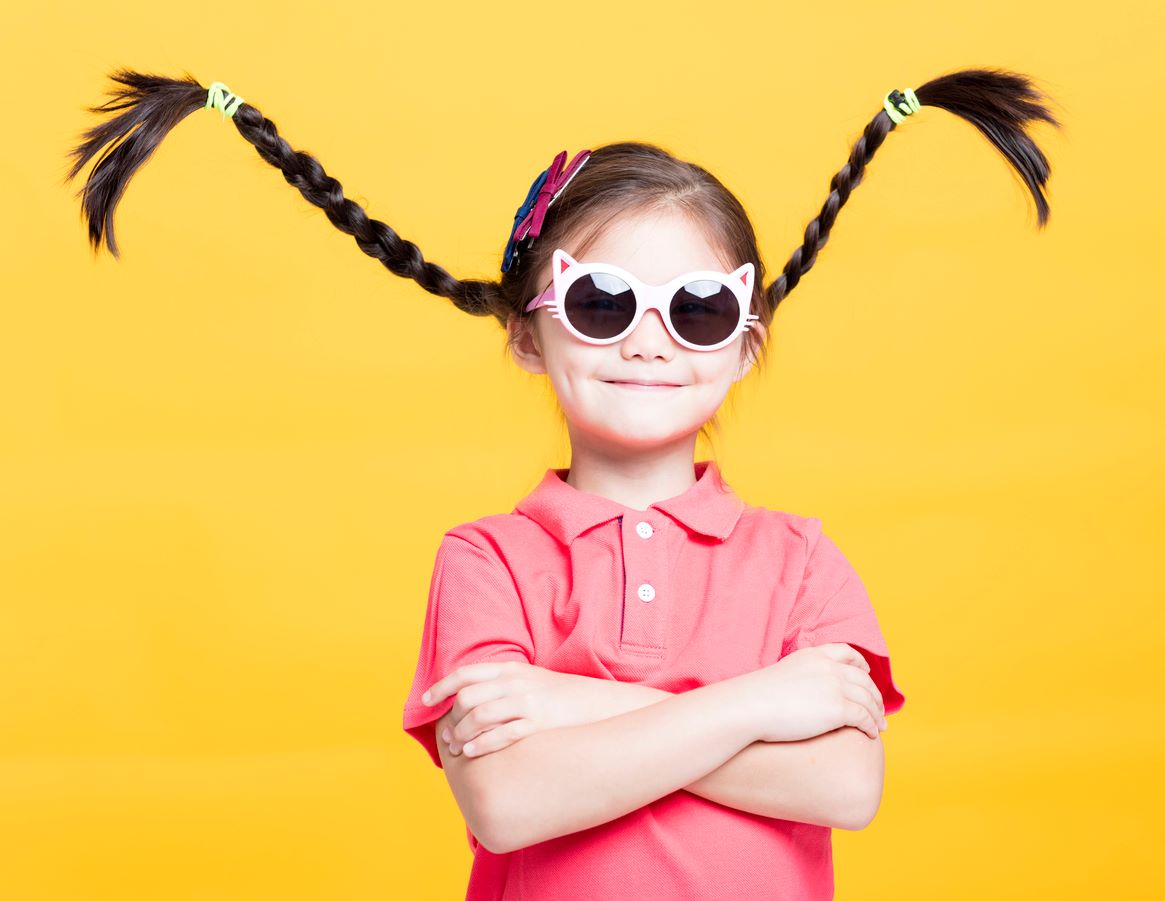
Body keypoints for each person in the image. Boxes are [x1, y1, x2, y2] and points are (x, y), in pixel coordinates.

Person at [64, 66, 1059, 900]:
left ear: (745, 345)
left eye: (698, 311)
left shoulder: (800, 559)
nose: (647, 341)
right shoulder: (488, 558)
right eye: (601, 301)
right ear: (528, 331)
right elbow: (507, 802)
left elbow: (845, 783)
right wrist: (763, 698)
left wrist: (567, 703)